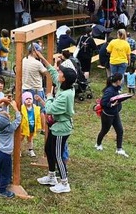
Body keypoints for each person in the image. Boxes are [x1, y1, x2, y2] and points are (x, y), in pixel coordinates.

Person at [37, 61, 77, 194]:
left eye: (61, 72)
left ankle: (65, 183)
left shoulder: (65, 95)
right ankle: (52, 176)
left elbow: (49, 109)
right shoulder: (65, 86)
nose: (58, 72)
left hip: (62, 128)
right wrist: (42, 58)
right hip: (56, 127)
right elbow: (53, 74)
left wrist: (48, 97)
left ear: (64, 78)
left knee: (58, 154)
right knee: (49, 149)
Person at [0, 100, 21, 199]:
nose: (9, 115)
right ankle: (3, 191)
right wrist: (16, 108)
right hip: (6, 155)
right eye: (7, 116)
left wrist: (6, 105)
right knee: (6, 174)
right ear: (7, 121)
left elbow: (2, 116)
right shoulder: (10, 128)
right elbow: (18, 120)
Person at [95, 73, 128, 157]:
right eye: (121, 80)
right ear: (117, 81)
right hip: (108, 115)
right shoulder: (109, 91)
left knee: (120, 130)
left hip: (115, 113)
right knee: (104, 130)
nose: (122, 81)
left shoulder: (116, 88)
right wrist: (111, 105)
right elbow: (103, 103)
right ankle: (98, 144)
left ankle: (119, 149)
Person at [20, 91, 41, 158]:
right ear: (23, 100)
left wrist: (38, 126)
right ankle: (19, 150)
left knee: (30, 139)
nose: (28, 100)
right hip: (23, 127)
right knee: (20, 139)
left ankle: (31, 150)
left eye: (30, 98)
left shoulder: (35, 108)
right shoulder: (22, 108)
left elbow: (38, 118)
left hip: (32, 127)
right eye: (26, 99)